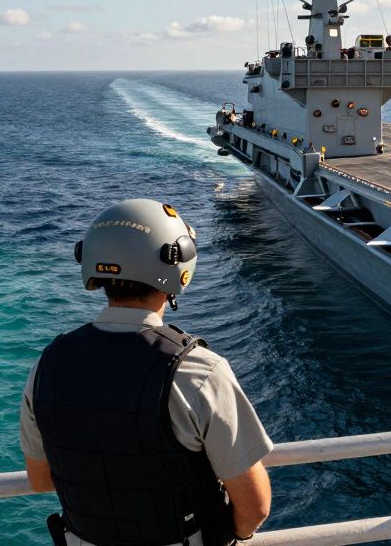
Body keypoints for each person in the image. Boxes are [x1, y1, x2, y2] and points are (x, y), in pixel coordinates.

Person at [20, 199, 272, 546]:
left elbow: (41, 479)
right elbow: (254, 506)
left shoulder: (48, 365)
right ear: (177, 263)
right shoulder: (198, 372)